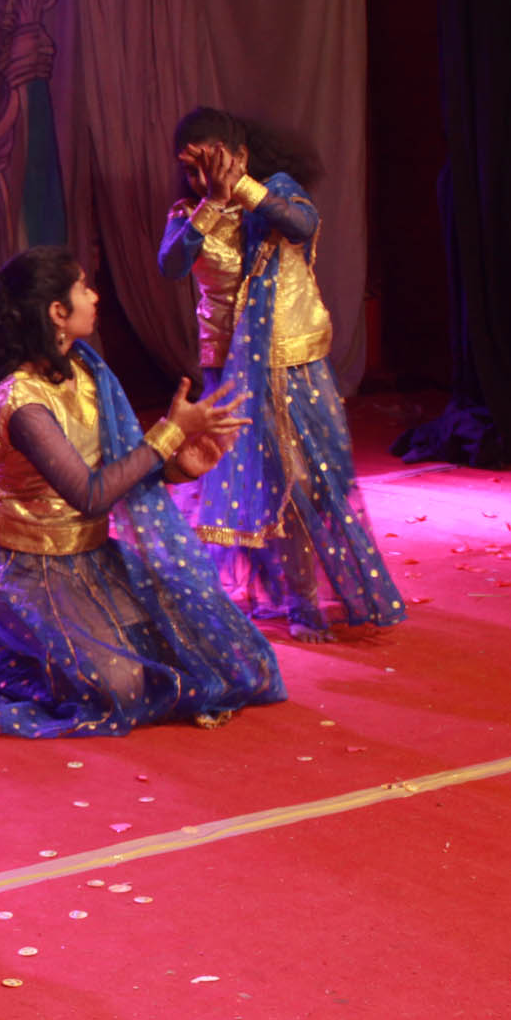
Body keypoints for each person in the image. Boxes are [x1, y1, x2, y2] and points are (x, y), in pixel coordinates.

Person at [0, 247, 286, 738]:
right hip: (36, 570)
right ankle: (11, 651)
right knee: (123, 688)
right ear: (57, 312)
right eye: (83, 287)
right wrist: (169, 432)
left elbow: (122, 468)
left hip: (93, 557)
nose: (95, 296)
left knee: (207, 652)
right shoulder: (22, 402)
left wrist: (181, 465)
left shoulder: (85, 371)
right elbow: (89, 495)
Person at [157, 107, 406, 642]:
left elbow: (302, 225)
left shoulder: (277, 196)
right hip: (229, 370)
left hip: (295, 365)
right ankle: (283, 595)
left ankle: (305, 594)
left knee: (306, 483)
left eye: (212, 164)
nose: (201, 178)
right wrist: (211, 203)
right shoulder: (188, 213)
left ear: (241, 157)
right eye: (191, 169)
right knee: (254, 486)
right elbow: (171, 265)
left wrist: (241, 190)